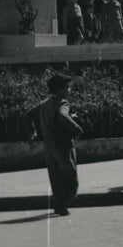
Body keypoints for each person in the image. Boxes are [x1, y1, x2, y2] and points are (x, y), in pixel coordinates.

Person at [25, 73, 84, 216]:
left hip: (48, 146)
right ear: (59, 89)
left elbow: (27, 116)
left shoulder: (44, 104)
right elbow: (63, 116)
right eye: (67, 87)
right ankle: (64, 203)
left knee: (56, 177)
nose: (69, 90)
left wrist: (32, 134)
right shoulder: (62, 103)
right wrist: (77, 129)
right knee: (71, 177)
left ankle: (60, 206)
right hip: (63, 144)